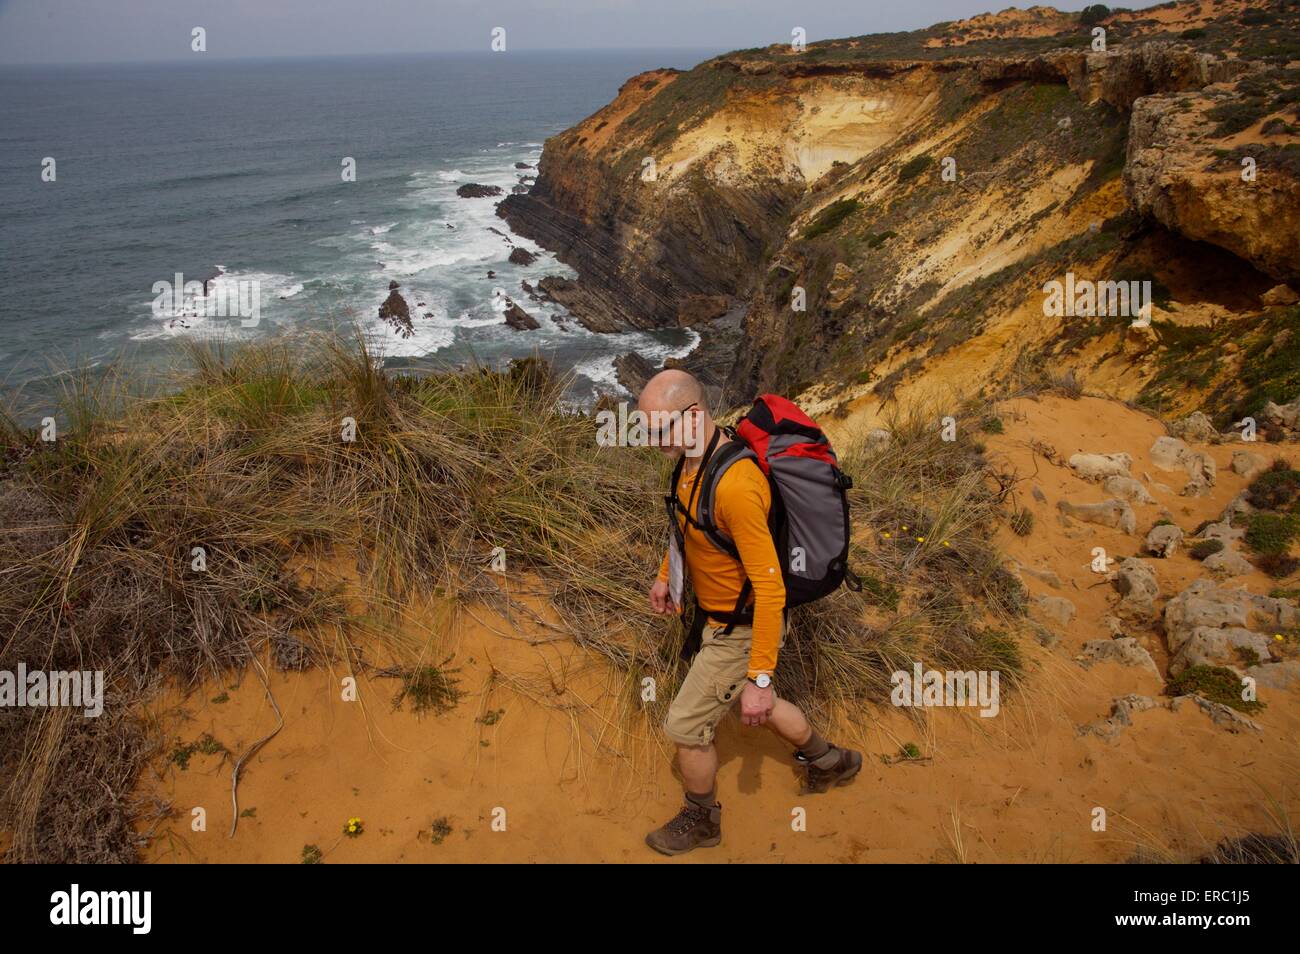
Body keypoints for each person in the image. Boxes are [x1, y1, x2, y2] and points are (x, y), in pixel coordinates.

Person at [638, 369, 862, 856]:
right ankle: (829, 761)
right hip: (715, 616)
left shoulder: (737, 485)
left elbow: (770, 587)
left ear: (693, 415)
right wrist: (665, 576)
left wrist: (759, 675)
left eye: (658, 430)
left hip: (739, 627)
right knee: (766, 706)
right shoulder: (692, 458)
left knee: (684, 726)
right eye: (646, 430)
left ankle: (702, 818)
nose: (652, 441)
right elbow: (686, 521)